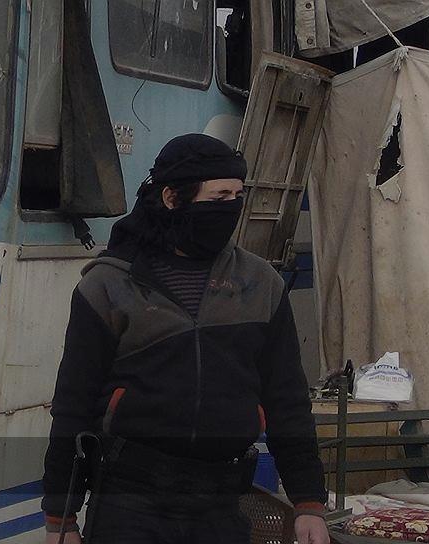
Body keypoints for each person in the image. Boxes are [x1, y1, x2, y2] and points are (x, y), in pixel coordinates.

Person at [41, 134, 330, 544]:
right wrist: (61, 518)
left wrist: (308, 502)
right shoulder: (108, 285)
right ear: (173, 199)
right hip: (129, 504)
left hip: (221, 506)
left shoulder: (261, 284)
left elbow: (288, 401)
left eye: (237, 196)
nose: (230, 207)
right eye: (218, 197)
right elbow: (73, 405)